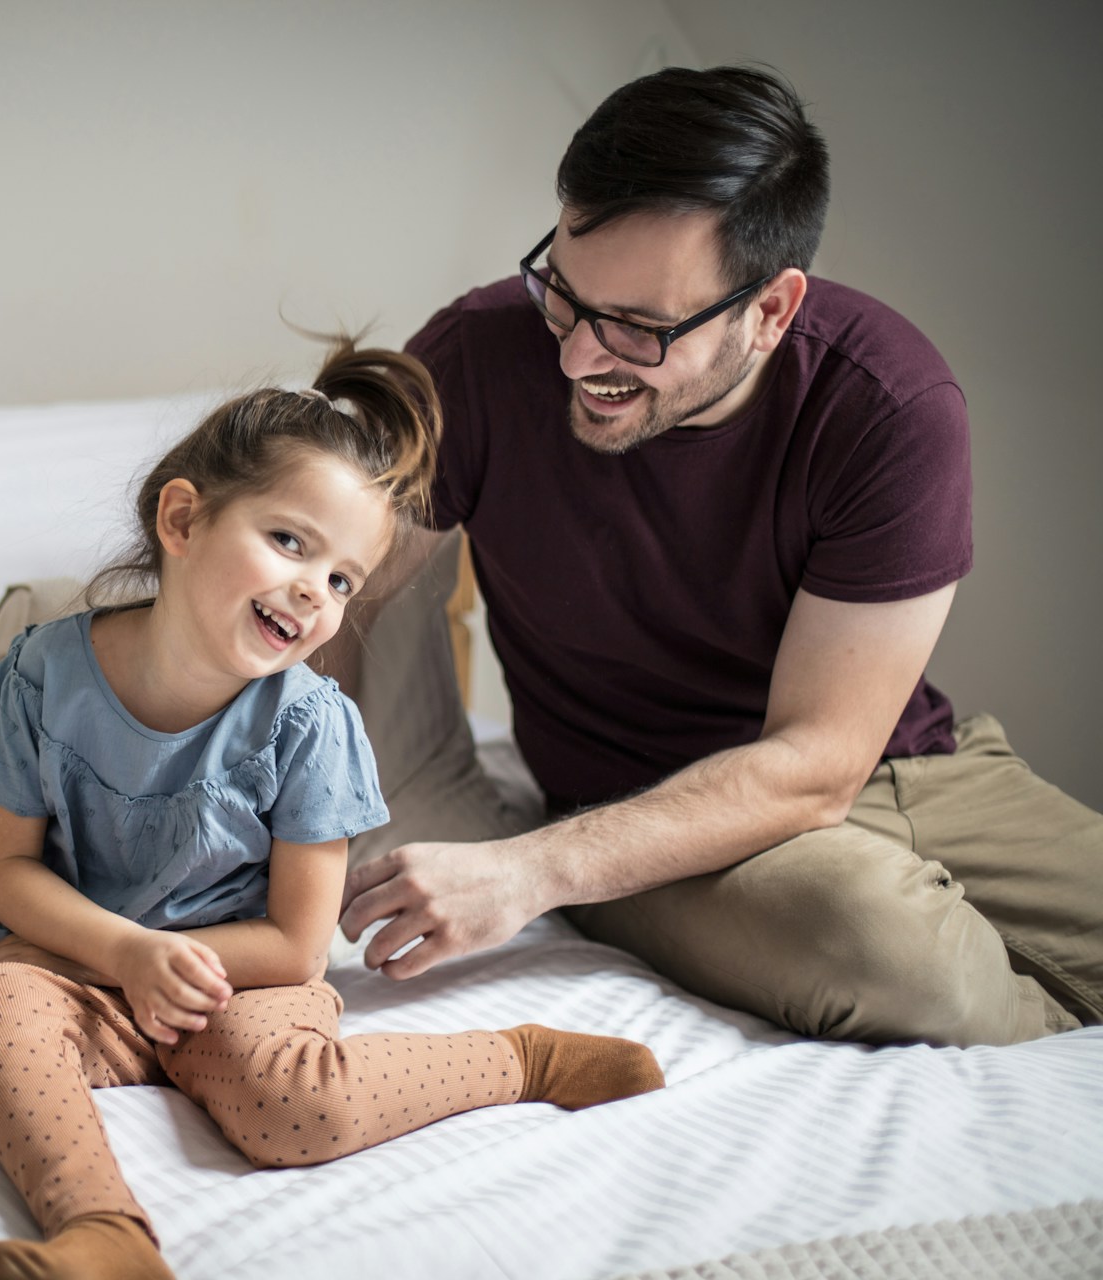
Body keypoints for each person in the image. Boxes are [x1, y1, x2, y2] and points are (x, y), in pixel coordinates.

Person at [337, 64, 1102, 1049]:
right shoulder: (475, 361)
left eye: (639, 328)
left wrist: (526, 871)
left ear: (771, 310)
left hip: (909, 772)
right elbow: (332, 583)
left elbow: (819, 764)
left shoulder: (889, 406)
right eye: (562, 292)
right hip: (641, 820)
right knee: (901, 956)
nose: (576, 357)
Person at [0, 339, 664, 1280]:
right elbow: (3, 870)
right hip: (85, 965)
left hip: (243, 984)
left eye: (342, 580)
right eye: (290, 542)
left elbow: (296, 946)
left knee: (297, 1107)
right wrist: (124, 957)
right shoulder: (44, 675)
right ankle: (102, 1234)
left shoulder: (309, 724)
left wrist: (171, 967)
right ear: (182, 519)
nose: (313, 592)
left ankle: (519, 1062)